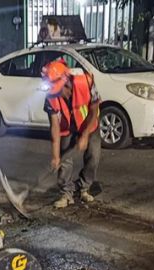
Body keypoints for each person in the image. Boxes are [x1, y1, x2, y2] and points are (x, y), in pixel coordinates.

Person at [42, 60, 101, 207]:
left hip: (89, 123)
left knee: (93, 156)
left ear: (65, 80)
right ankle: (66, 194)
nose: (55, 92)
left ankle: (84, 188)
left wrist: (85, 135)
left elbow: (94, 109)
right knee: (64, 161)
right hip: (67, 127)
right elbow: (54, 126)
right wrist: (55, 156)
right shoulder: (50, 96)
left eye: (57, 88)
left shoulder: (86, 81)